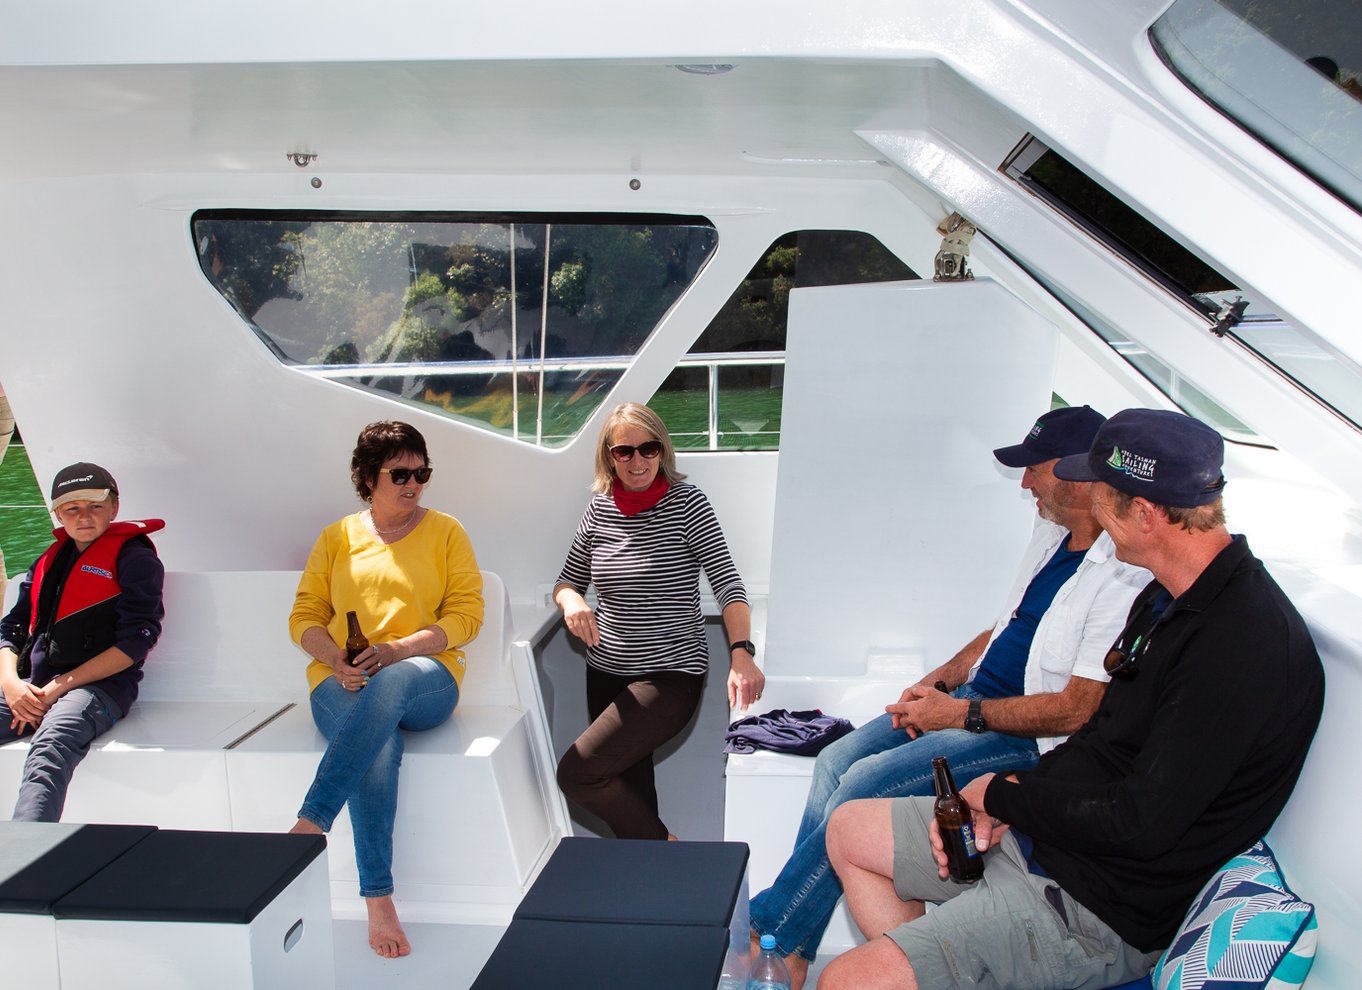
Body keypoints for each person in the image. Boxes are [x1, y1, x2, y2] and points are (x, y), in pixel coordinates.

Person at [821, 409, 1325, 990]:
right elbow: (1101, 740)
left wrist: (1006, 798)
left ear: (1145, 512)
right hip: (1053, 845)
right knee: (850, 829)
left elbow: (1141, 823)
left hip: (1099, 905)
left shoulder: (1241, 643)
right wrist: (1009, 806)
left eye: (1100, 492)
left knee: (846, 981)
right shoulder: (1169, 598)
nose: (1088, 507)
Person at [749, 405, 1152, 989]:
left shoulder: (1123, 573)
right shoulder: (1053, 539)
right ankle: (797, 945)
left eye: (1033, 470)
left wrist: (957, 712)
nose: (1025, 484)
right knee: (836, 759)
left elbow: (1078, 708)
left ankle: (777, 942)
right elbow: (1006, 627)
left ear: (1078, 474)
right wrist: (939, 681)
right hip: (969, 701)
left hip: (1022, 737)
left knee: (862, 787)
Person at [288, 420, 484, 959]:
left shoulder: (447, 532)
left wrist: (399, 649)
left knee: (392, 681)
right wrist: (335, 660)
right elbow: (305, 616)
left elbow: (467, 616)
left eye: (422, 472)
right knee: (380, 745)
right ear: (367, 477)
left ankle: (311, 823)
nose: (413, 483)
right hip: (341, 681)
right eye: (400, 473)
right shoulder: (337, 537)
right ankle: (379, 901)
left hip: (427, 677)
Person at [554, 402, 763, 840]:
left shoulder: (688, 504)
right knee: (629, 793)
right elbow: (566, 582)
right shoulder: (598, 510)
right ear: (609, 456)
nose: (637, 461)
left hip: (671, 676)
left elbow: (728, 584)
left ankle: (671, 851)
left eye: (648, 449)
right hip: (606, 673)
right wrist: (573, 604)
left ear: (662, 450)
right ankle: (651, 889)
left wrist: (742, 654)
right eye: (624, 451)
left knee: (579, 774)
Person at [0, 462, 165, 821]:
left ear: (114, 508)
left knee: (51, 744)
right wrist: (11, 684)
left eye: (95, 505)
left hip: (99, 689)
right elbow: (10, 628)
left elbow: (137, 641)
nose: (84, 516)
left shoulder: (136, 561)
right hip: (32, 686)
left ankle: (24, 860)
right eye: (72, 508)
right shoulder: (47, 561)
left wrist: (61, 685)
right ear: (58, 513)